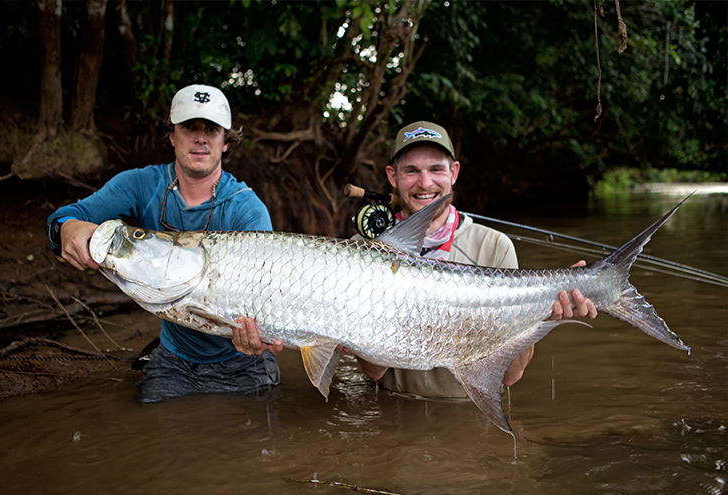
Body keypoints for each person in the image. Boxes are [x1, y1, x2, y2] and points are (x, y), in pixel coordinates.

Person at [232, 120, 598, 401]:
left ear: (453, 173)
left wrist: (544, 320)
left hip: (466, 411)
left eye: (436, 169)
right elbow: (375, 373)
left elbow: (510, 377)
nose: (425, 183)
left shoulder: (494, 247)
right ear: (392, 178)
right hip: (393, 410)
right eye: (411, 171)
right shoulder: (362, 251)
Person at [46, 84, 282, 403]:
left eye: (211, 129)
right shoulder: (141, 184)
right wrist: (68, 229)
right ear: (172, 136)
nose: (200, 138)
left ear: (225, 141)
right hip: (174, 360)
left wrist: (263, 336)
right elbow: (66, 217)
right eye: (189, 127)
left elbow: (267, 298)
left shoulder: (248, 210)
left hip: (243, 362)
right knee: (154, 424)